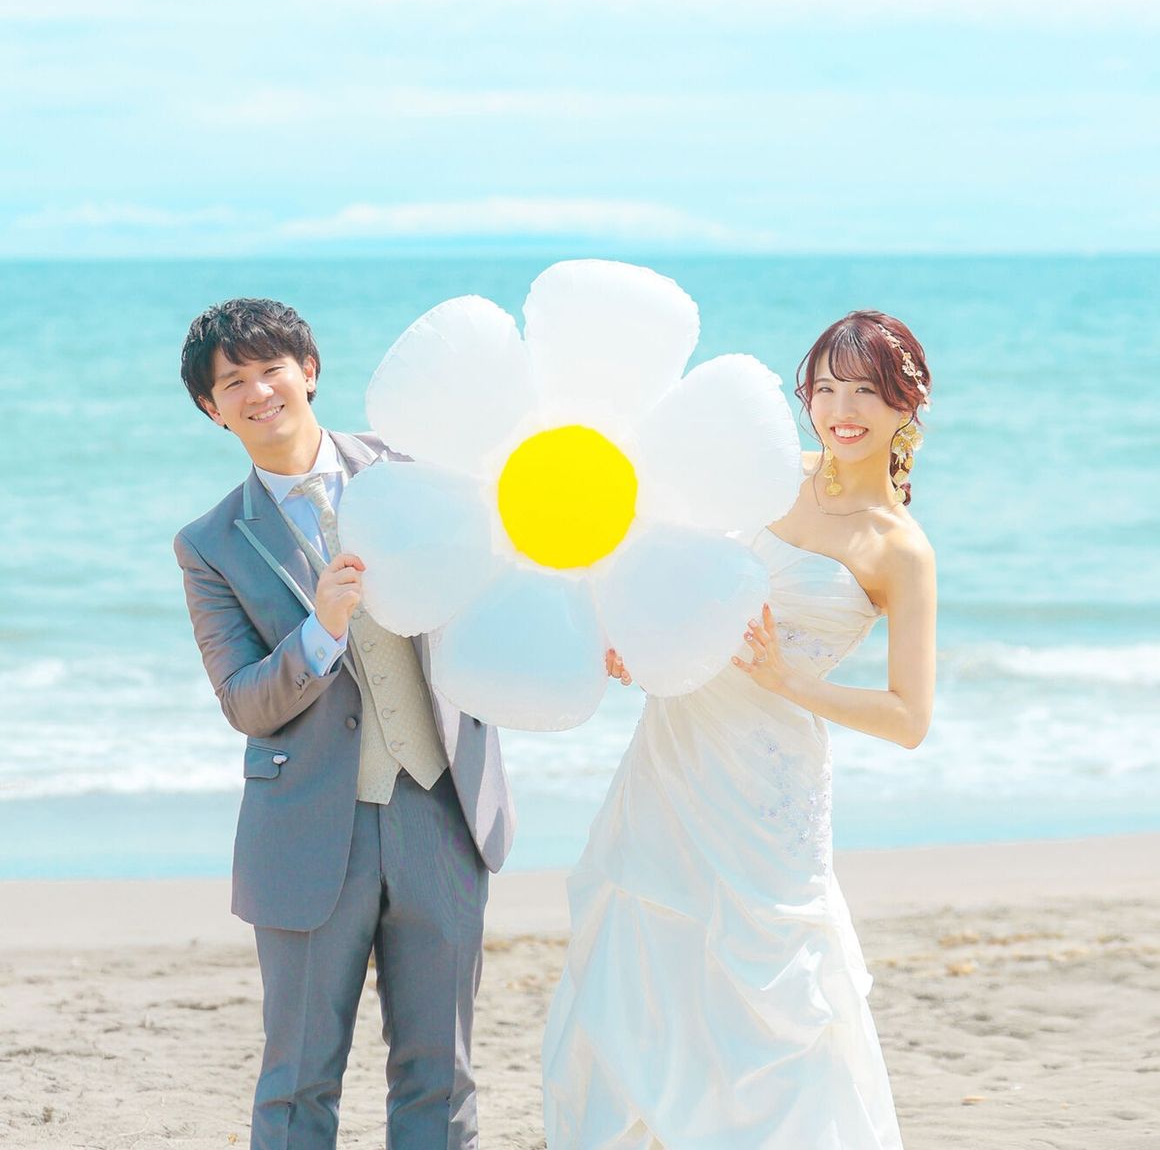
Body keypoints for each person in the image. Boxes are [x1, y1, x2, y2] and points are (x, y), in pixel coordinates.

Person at [541, 310, 936, 1149]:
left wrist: (790, 681)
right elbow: (670, 569)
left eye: (865, 391)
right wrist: (634, 641)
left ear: (906, 404)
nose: (841, 410)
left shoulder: (898, 549)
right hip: (673, 753)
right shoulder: (767, 474)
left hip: (767, 786)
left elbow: (909, 719)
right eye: (825, 388)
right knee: (642, 963)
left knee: (770, 999)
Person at [173, 298, 515, 1150]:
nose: (259, 392)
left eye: (273, 369)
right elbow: (245, 701)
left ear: (310, 372)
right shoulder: (210, 543)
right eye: (234, 383)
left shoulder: (409, 472)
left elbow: (506, 575)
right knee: (298, 1080)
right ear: (212, 409)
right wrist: (320, 632)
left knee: (441, 1074)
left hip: (442, 808)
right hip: (307, 833)